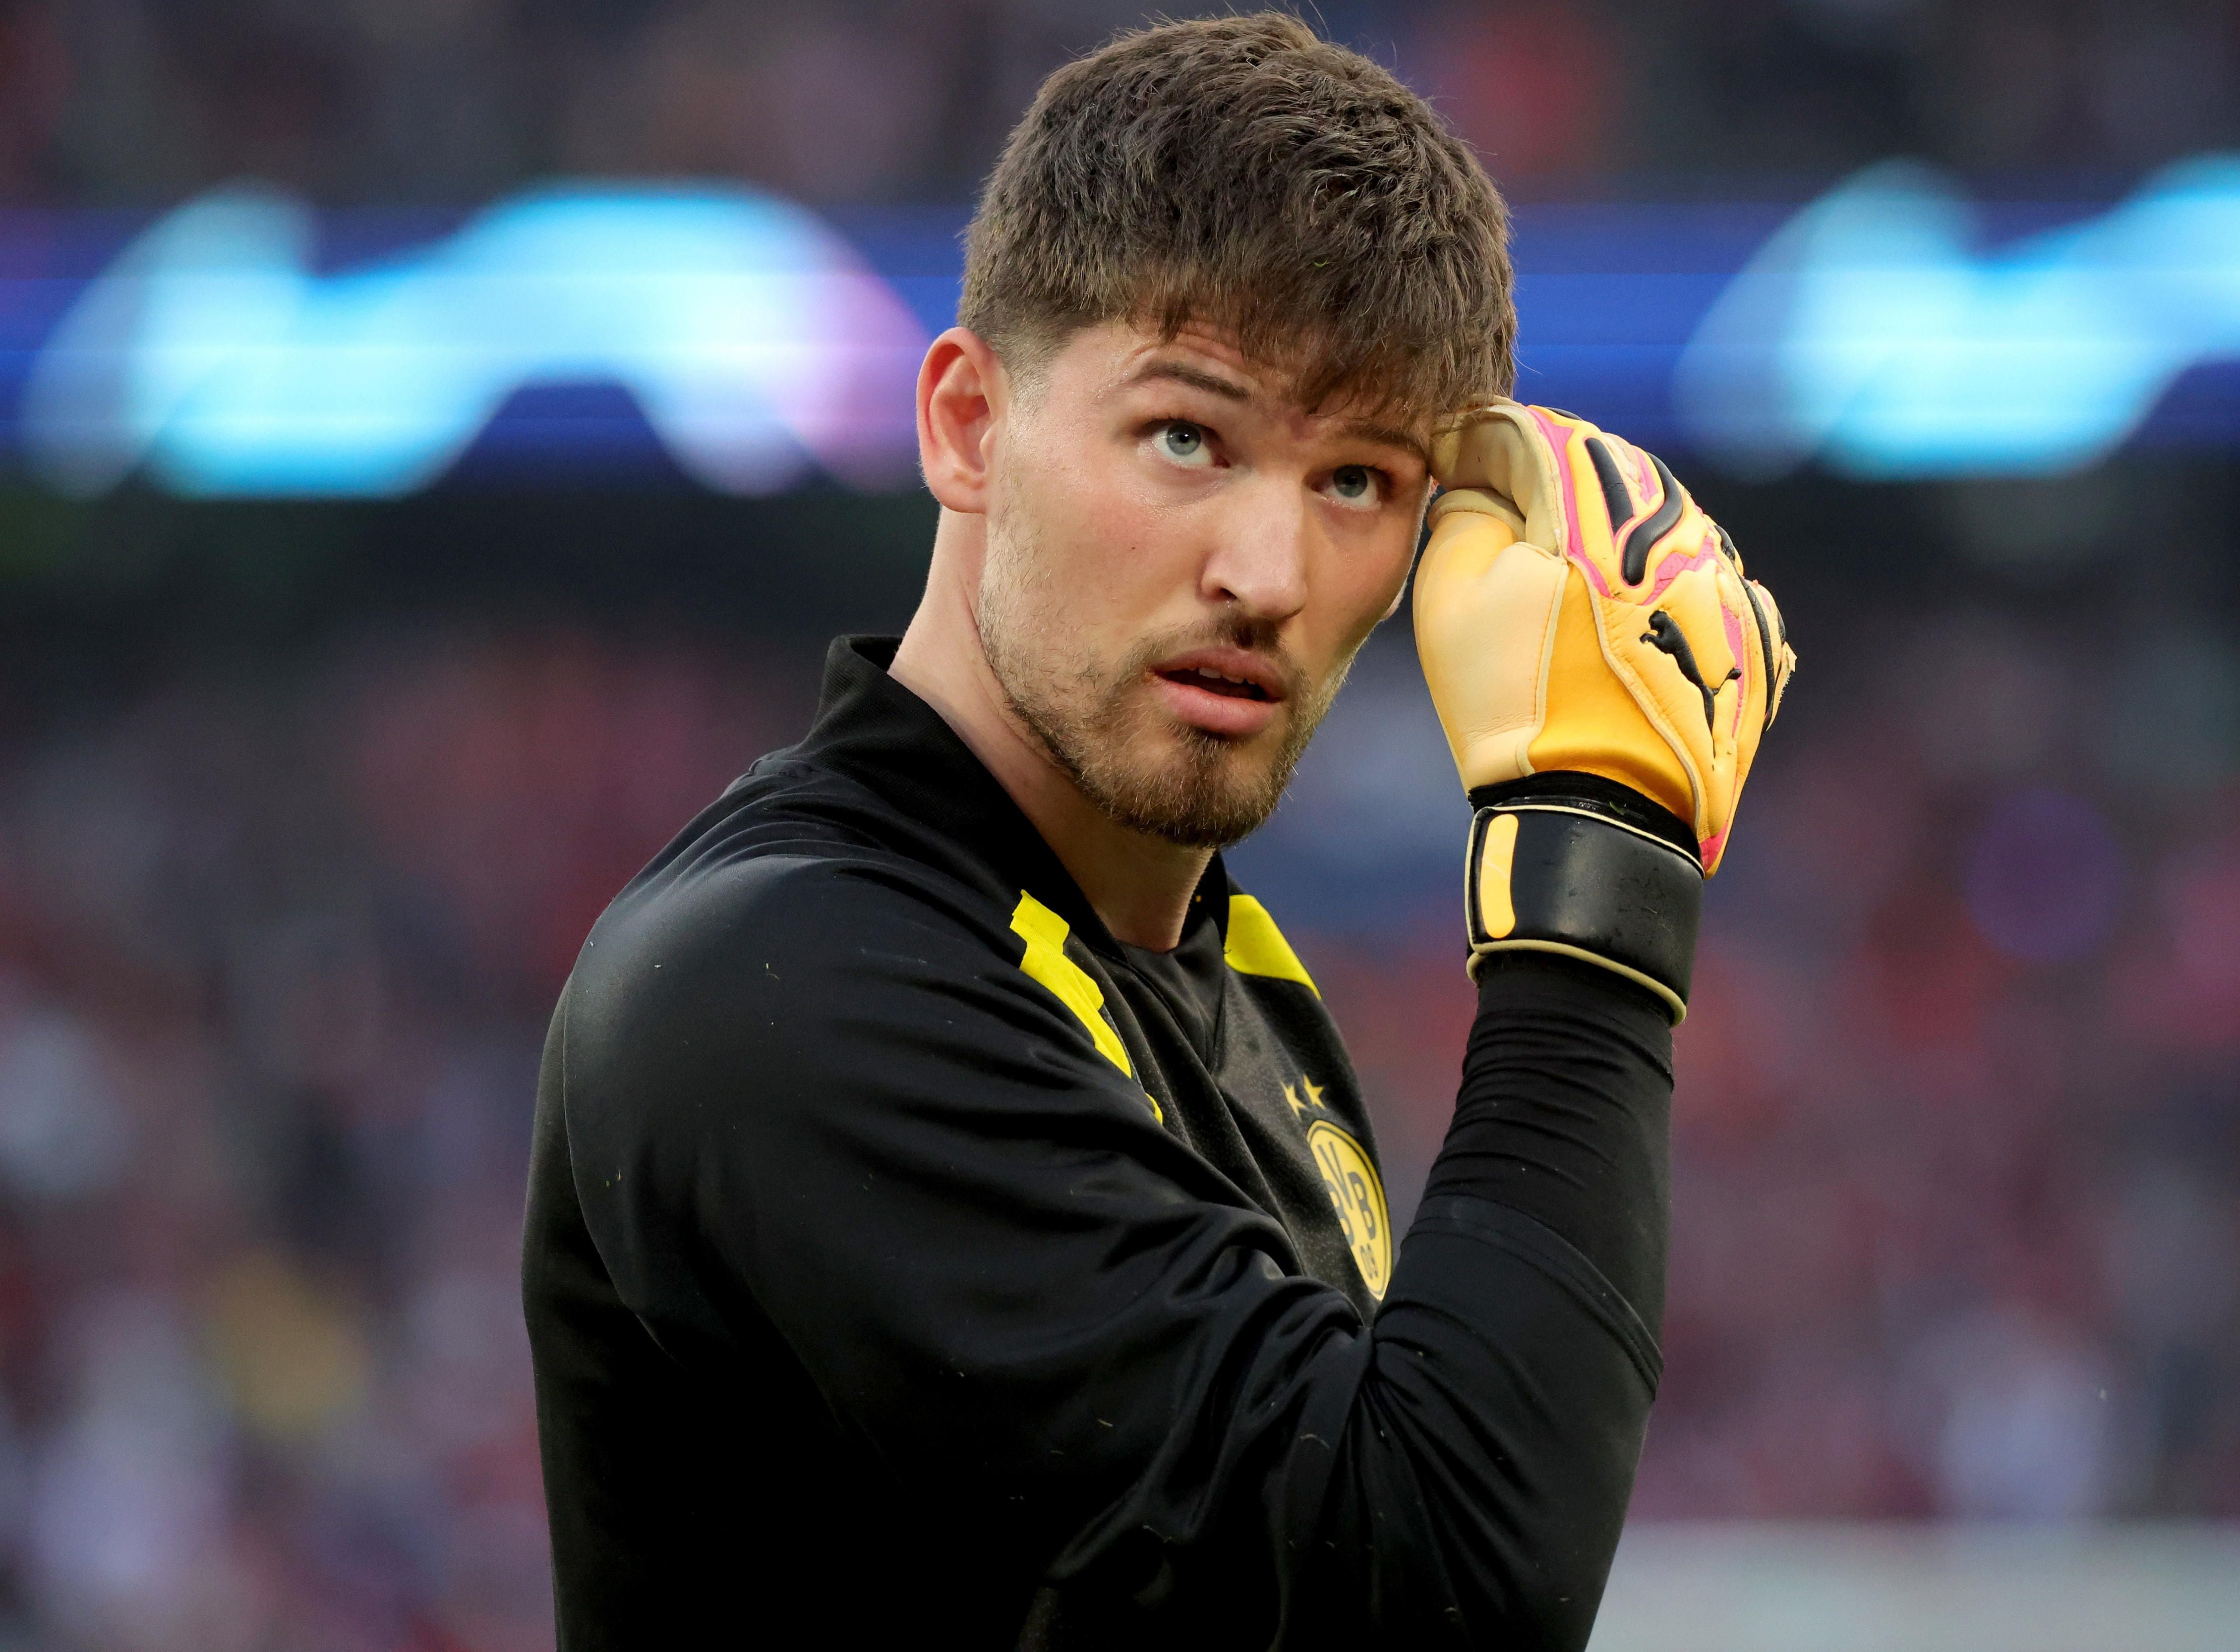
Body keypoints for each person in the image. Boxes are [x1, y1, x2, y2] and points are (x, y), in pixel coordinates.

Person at [521, 13, 1791, 1649]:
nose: (1266, 571)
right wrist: (1596, 890)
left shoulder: (1231, 982)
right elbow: (1429, 1599)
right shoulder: (777, 982)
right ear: (970, 426)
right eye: (1188, 437)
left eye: (1358, 480)